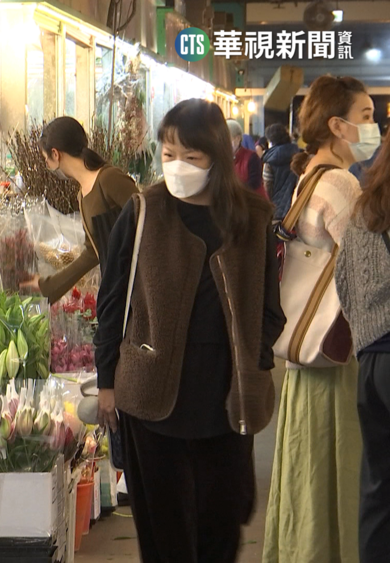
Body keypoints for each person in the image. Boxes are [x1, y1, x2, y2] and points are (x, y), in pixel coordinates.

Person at [94, 99, 285, 562]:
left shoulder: (252, 218)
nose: (177, 165)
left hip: (225, 394)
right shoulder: (143, 210)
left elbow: (269, 307)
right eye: (168, 154)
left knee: (223, 525)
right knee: (164, 533)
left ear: (217, 156)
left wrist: (255, 361)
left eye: (190, 156)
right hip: (152, 397)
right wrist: (106, 381)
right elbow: (112, 300)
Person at [263, 75, 374, 563]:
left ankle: (302, 548)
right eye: (366, 116)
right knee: (337, 463)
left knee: (306, 466)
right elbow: (366, 265)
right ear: (337, 125)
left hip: (305, 349)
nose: (373, 126)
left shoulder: (310, 174)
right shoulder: (341, 183)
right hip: (337, 348)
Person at [335, 140, 390, 563]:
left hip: (372, 360)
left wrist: (365, 335)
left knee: (378, 485)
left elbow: (344, 283)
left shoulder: (361, 213)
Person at [21, 116, 138, 302]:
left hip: (138, 287)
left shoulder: (109, 179)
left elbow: (148, 220)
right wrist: (48, 285)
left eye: (46, 159)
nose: (47, 166)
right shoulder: (82, 196)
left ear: (55, 154)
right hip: (119, 291)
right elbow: (92, 253)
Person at [262, 123, 302, 222]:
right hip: (297, 206)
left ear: (271, 141)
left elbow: (267, 188)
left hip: (276, 210)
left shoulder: (270, 160)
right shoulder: (299, 155)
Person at [228, 119, 267, 199]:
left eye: (227, 138)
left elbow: (255, 182)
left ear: (238, 138)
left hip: (254, 201)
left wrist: (235, 191)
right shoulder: (223, 158)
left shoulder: (251, 157)